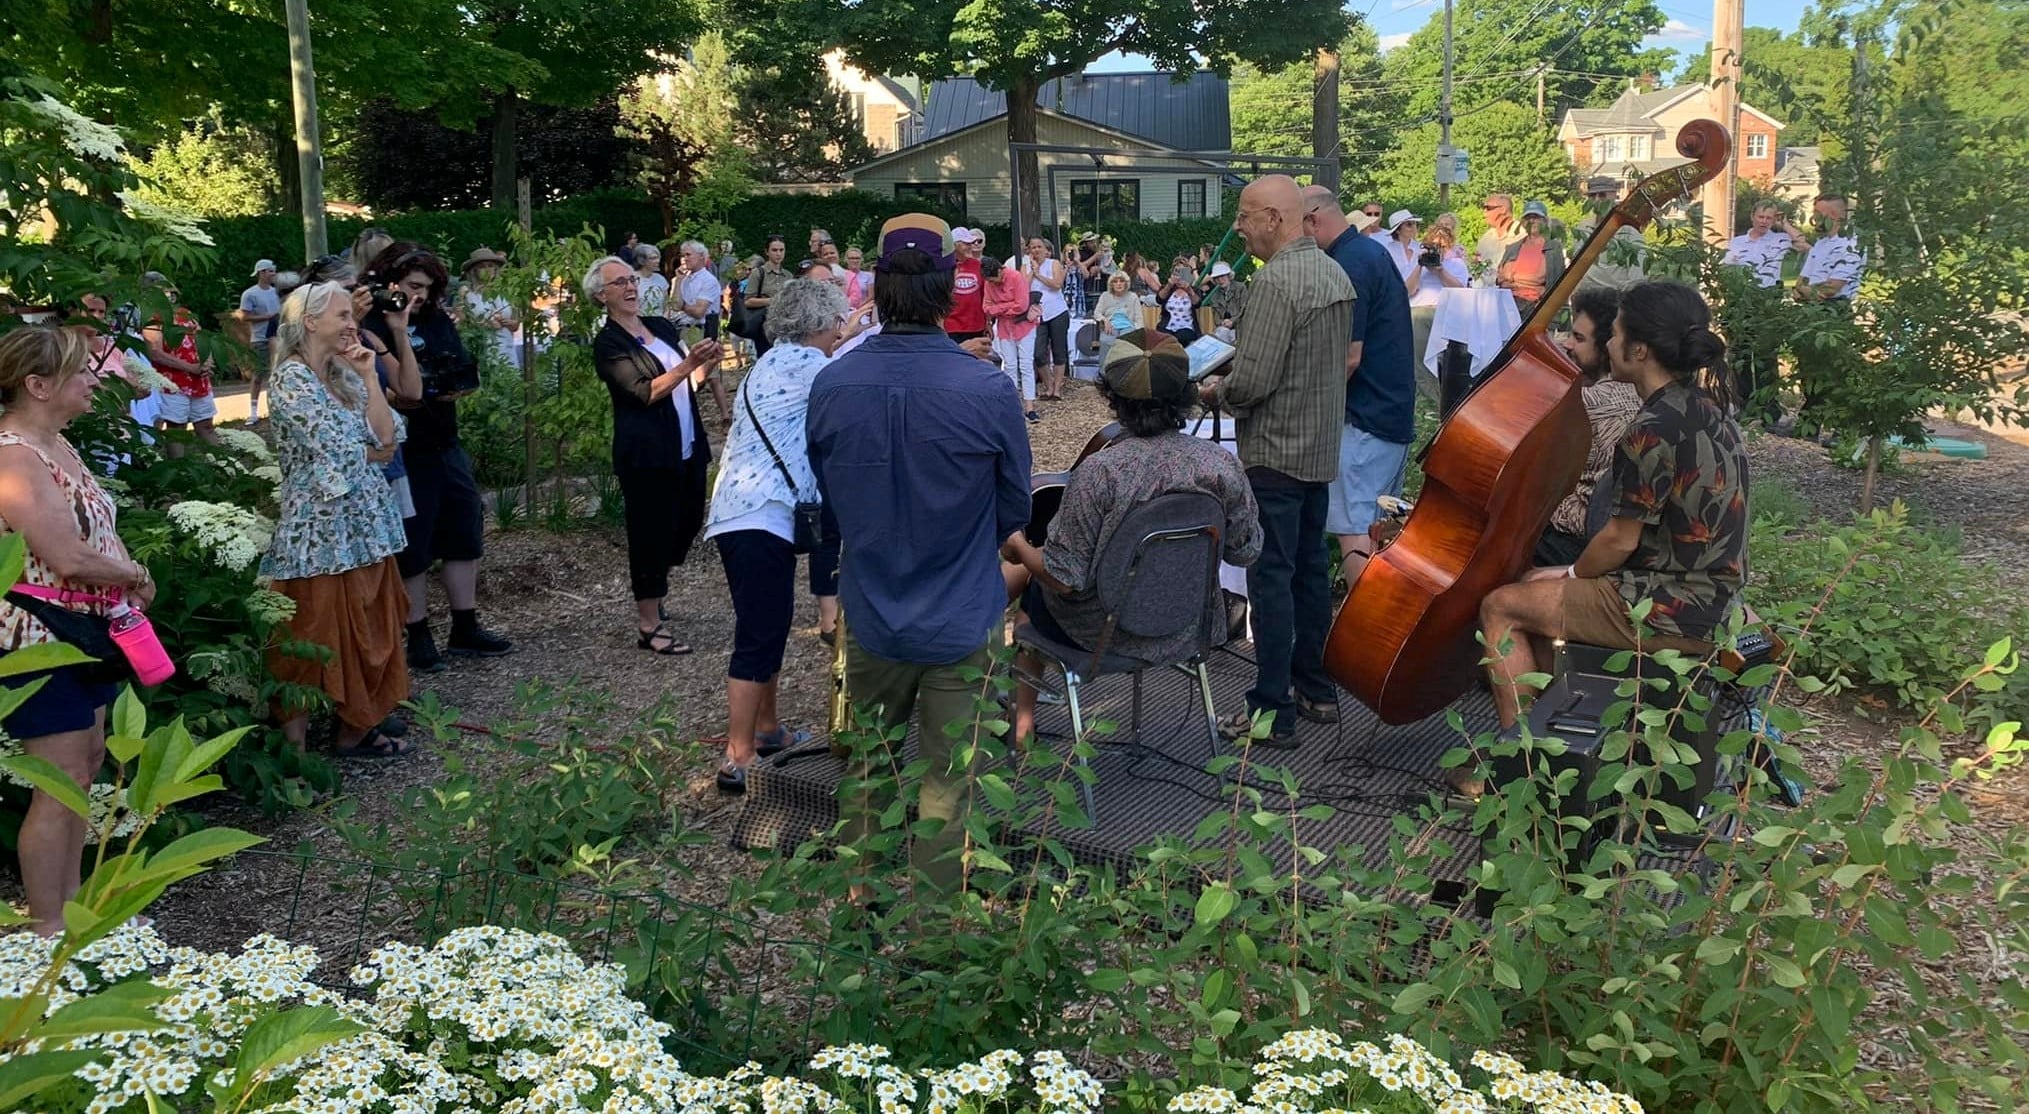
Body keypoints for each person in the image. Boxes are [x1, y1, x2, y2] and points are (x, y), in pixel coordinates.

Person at [806, 214, 1031, 896]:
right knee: (950, 782)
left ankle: (858, 911)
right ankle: (938, 935)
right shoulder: (985, 388)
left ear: (876, 289)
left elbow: (827, 492)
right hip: (961, 609)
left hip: (872, 606)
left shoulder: (832, 384)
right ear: (945, 294)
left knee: (868, 771)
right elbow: (1014, 508)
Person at [1474, 280, 1747, 765]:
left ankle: (1520, 771)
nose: (1609, 343)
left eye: (1615, 334)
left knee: (1501, 607)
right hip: (1715, 598)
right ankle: (1561, 754)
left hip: (1662, 604)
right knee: (1535, 596)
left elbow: (1620, 539)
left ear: (1639, 350)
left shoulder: (1650, 428)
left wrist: (1571, 573)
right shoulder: (1710, 409)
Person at [1001, 330, 1263, 745]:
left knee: (1034, 588)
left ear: (1112, 395)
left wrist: (1017, 547)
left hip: (1102, 631)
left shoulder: (1101, 473)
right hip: (1189, 625)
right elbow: (1247, 549)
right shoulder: (1219, 465)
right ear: (1187, 392)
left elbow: (1063, 577)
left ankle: (1022, 720)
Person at [0, 327, 156, 936]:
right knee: (59, 780)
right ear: (38, 386)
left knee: (86, 763)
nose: (96, 380)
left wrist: (122, 581)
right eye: (81, 373)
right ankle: (45, 929)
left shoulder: (56, 445)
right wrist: (136, 574)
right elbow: (65, 556)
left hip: (83, 632)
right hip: (39, 638)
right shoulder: (13, 454)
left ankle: (67, 909)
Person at [1202, 175, 1355, 747]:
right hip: (1317, 449)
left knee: (1271, 579)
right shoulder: (1332, 272)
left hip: (1275, 454)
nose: (1237, 228)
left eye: (1244, 217)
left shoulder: (1276, 283)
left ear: (1273, 218)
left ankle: (1271, 708)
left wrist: (1215, 392)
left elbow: (1255, 381)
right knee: (1311, 573)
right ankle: (1315, 687)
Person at [702, 278, 850, 792]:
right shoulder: (815, 368)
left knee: (768, 622)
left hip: (738, 508)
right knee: (759, 631)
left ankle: (766, 729)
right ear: (820, 323)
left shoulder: (766, 362)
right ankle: (737, 755)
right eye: (837, 321)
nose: (840, 331)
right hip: (761, 513)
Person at [261, 281, 413, 759]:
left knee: (371, 626)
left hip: (365, 523)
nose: (353, 324)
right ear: (309, 321)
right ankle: (296, 754)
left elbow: (389, 440)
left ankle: (354, 730)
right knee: (309, 633)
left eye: (352, 315)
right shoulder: (290, 378)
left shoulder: (344, 373)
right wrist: (369, 448)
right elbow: (338, 449)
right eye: (343, 315)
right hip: (318, 531)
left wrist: (369, 378)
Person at [360, 243, 514, 671]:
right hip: (403, 449)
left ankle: (465, 626)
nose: (419, 296)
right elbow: (394, 393)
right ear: (390, 280)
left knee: (464, 527)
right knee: (414, 539)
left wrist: (456, 384)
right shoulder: (371, 322)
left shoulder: (434, 317)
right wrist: (398, 333)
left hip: (446, 438)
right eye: (413, 286)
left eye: (426, 288)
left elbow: (458, 364)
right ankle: (419, 633)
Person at [587, 255, 720, 657]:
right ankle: (648, 622)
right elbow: (644, 392)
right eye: (620, 283)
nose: (631, 287)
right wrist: (688, 365)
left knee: (687, 523)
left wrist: (704, 364)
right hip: (646, 454)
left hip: (685, 445)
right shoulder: (609, 344)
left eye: (632, 280)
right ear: (601, 296)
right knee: (649, 534)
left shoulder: (660, 327)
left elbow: (689, 382)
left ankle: (655, 586)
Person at [1303, 187, 1418, 589]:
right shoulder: (1370, 252)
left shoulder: (1348, 264)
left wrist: (1304, 404)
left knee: (1356, 531)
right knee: (1378, 529)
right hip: (1389, 413)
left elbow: (1349, 356)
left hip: (1365, 420)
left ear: (1313, 219)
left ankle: (1361, 639)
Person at [1532, 286, 1641, 566]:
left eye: (1579, 338)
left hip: (1571, 544)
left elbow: (1536, 480)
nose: (1567, 344)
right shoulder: (1643, 394)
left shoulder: (1586, 403)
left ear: (1607, 346)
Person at [142, 277, 219, 454]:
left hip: (198, 379)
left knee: (206, 424)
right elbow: (155, 352)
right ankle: (179, 471)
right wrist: (191, 367)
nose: (168, 294)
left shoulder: (184, 313)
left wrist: (208, 361)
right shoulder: (151, 319)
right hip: (172, 382)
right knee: (176, 428)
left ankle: (223, 466)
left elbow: (202, 339)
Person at [1406, 225, 1469, 391]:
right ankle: (1427, 394)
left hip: (1443, 312)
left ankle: (1435, 395)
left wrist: (1440, 272)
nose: (1437, 251)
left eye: (1441, 247)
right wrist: (1420, 266)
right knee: (1418, 355)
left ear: (1448, 247)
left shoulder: (1456, 264)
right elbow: (1407, 290)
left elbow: (1461, 290)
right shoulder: (1416, 263)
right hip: (1417, 311)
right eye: (1433, 247)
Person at [982, 255, 1040, 423]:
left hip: (1024, 327)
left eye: (996, 279)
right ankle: (1013, 406)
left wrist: (999, 308)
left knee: (1026, 364)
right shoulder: (989, 283)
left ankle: (1030, 407)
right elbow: (986, 307)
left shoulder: (1015, 277)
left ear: (1000, 270)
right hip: (1005, 328)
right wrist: (1008, 306)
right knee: (1009, 365)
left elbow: (1022, 305)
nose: (994, 284)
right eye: (991, 281)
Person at [1021, 237, 1071, 402]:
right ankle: (1048, 384)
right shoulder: (1025, 266)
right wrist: (1032, 272)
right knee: (1038, 352)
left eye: (1039, 247)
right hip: (1037, 313)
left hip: (1057, 311)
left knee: (1059, 350)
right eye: (1032, 247)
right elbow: (1022, 288)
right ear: (1029, 250)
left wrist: (1039, 275)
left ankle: (1057, 389)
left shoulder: (1054, 263)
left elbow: (1057, 284)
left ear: (1044, 248)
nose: (1036, 250)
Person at [1497, 201, 1567, 319]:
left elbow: (1558, 284)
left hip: (1534, 308)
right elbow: (1500, 278)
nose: (1531, 221)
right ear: (1522, 223)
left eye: (1536, 217)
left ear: (1544, 221)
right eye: (1527, 218)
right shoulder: (1512, 247)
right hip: (1507, 303)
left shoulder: (1553, 248)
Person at [459, 247, 521, 369]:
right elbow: (461, 325)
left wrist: (509, 323)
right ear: (474, 270)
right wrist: (484, 325)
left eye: (490, 266)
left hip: (506, 349)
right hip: (481, 349)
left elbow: (516, 325)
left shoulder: (506, 292)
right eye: (482, 266)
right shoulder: (467, 293)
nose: (487, 270)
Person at [240, 259, 281, 422]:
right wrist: (268, 317)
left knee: (277, 375)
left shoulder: (276, 292)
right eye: (271, 271)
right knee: (258, 376)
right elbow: (244, 316)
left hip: (278, 338)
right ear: (262, 273)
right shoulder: (250, 294)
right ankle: (253, 412)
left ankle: (276, 410)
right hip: (260, 339)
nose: (274, 274)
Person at [743, 235, 792, 359]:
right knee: (765, 358)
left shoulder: (788, 275)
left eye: (781, 250)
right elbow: (748, 301)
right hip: (763, 324)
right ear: (767, 252)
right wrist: (772, 300)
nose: (778, 254)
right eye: (774, 250)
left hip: (784, 324)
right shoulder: (758, 273)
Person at [946, 228, 989, 343]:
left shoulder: (978, 265)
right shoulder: (945, 266)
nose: (971, 246)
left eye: (971, 243)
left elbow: (986, 295)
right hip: (951, 326)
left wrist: (988, 322)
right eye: (966, 243)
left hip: (976, 325)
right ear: (955, 245)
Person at [1093, 270, 1142, 364]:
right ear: (1111, 284)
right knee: (1106, 340)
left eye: (1121, 281)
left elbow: (1139, 318)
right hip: (1111, 325)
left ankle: (1124, 372)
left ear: (1126, 283)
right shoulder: (1105, 296)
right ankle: (1103, 372)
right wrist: (1105, 320)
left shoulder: (1133, 297)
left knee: (1126, 343)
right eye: (1115, 282)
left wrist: (1139, 333)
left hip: (1129, 326)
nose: (1119, 284)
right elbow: (1097, 313)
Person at [1476, 194, 1523, 274]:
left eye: (1488, 208)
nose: (1484, 212)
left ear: (1503, 210)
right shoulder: (1486, 238)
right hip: (1486, 285)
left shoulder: (1522, 234)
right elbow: (1477, 264)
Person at [1156, 264, 1202, 346]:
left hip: (1186, 326)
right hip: (1167, 326)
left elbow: (1197, 303)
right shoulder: (1168, 289)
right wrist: (1169, 285)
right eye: (1177, 273)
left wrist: (1189, 290)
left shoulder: (1194, 290)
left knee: (1183, 336)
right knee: (1164, 337)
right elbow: (1159, 299)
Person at [1200, 261, 1243, 342]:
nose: (1220, 280)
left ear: (1229, 276)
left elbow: (1244, 309)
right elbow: (1216, 316)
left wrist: (1232, 321)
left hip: (1240, 326)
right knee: (1222, 332)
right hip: (1223, 327)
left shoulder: (1240, 288)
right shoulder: (1215, 295)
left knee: (1232, 335)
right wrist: (1223, 322)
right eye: (1216, 278)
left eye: (1222, 276)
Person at [1381, 211, 1422, 282]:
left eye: (1415, 223)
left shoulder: (1421, 248)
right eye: (1409, 225)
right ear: (1398, 230)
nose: (1414, 227)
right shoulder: (1386, 251)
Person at [632, 244, 669, 318]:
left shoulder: (661, 279)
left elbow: (666, 306)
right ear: (642, 260)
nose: (657, 261)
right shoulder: (631, 279)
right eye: (653, 258)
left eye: (658, 258)